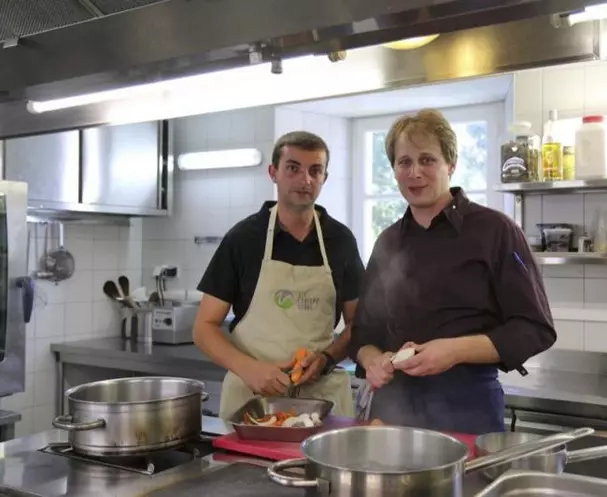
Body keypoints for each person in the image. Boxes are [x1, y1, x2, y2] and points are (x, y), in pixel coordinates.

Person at [348, 109, 556, 434]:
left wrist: (453, 350)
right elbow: (363, 333)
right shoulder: (388, 241)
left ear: (451, 164)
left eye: (427, 160)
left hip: (466, 410)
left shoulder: (495, 231)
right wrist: (372, 360)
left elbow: (534, 328)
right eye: (404, 162)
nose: (415, 172)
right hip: (392, 412)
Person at [194, 131, 365, 419]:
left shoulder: (341, 240)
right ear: (273, 173)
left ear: (325, 177)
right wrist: (248, 368)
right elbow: (204, 328)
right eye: (293, 168)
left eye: (315, 170)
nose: (305, 179)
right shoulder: (243, 239)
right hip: (252, 401)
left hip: (321, 402)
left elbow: (358, 324)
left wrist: (326, 358)